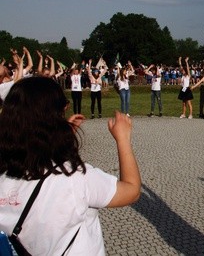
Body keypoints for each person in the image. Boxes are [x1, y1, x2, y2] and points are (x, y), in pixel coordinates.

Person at [0, 77, 141, 255]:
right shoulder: (72, 178)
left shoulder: (3, 175)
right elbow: (131, 190)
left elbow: (34, 151)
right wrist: (123, 139)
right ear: (53, 119)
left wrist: (61, 136)